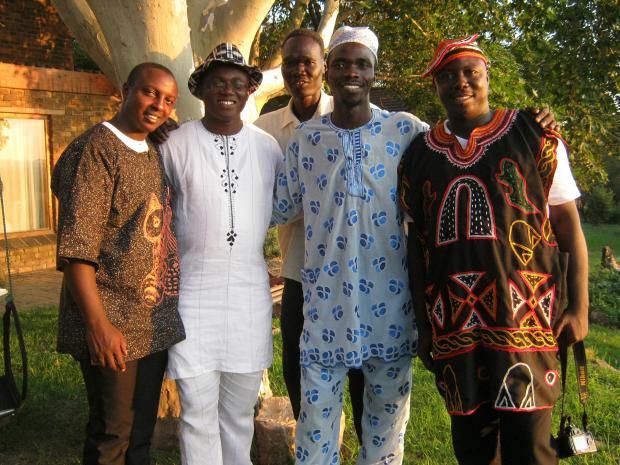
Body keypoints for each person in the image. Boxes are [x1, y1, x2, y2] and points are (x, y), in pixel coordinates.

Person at [398, 35, 588, 465]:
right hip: (454, 328)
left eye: (470, 73)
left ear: (487, 77)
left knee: (532, 447)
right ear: (435, 86)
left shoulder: (533, 135)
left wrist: (579, 306)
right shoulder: (417, 157)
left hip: (527, 322)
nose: (460, 83)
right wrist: (424, 327)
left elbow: (568, 226)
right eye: (447, 76)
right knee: (473, 446)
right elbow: (417, 247)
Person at [271, 26, 428, 465]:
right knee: (316, 432)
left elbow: (455, 153)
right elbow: (274, 207)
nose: (351, 72)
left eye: (362, 64)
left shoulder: (406, 131)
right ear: (329, 71)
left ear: (375, 73)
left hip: (392, 310)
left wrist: (523, 129)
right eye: (342, 63)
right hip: (324, 309)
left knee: (385, 436)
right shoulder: (305, 140)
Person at [52, 62, 185, 465]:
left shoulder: (154, 149)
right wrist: (99, 326)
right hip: (111, 320)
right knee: (112, 436)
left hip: (151, 320)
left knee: (139, 437)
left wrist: (167, 123)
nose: (158, 105)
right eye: (149, 93)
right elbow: (77, 249)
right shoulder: (96, 148)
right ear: (125, 89)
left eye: (168, 100)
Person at [159, 43, 283, 465]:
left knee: (237, 414)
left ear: (249, 90)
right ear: (202, 90)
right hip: (193, 297)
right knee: (196, 413)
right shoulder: (174, 143)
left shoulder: (268, 148)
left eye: (236, 83)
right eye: (217, 82)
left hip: (249, 299)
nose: (226, 90)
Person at [254, 28, 365, 443]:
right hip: (300, 273)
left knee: (360, 376)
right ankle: (316, 446)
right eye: (290, 62)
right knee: (301, 374)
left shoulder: (354, 114)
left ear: (324, 66)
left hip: (356, 276)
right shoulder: (265, 130)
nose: (299, 69)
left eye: (308, 61)